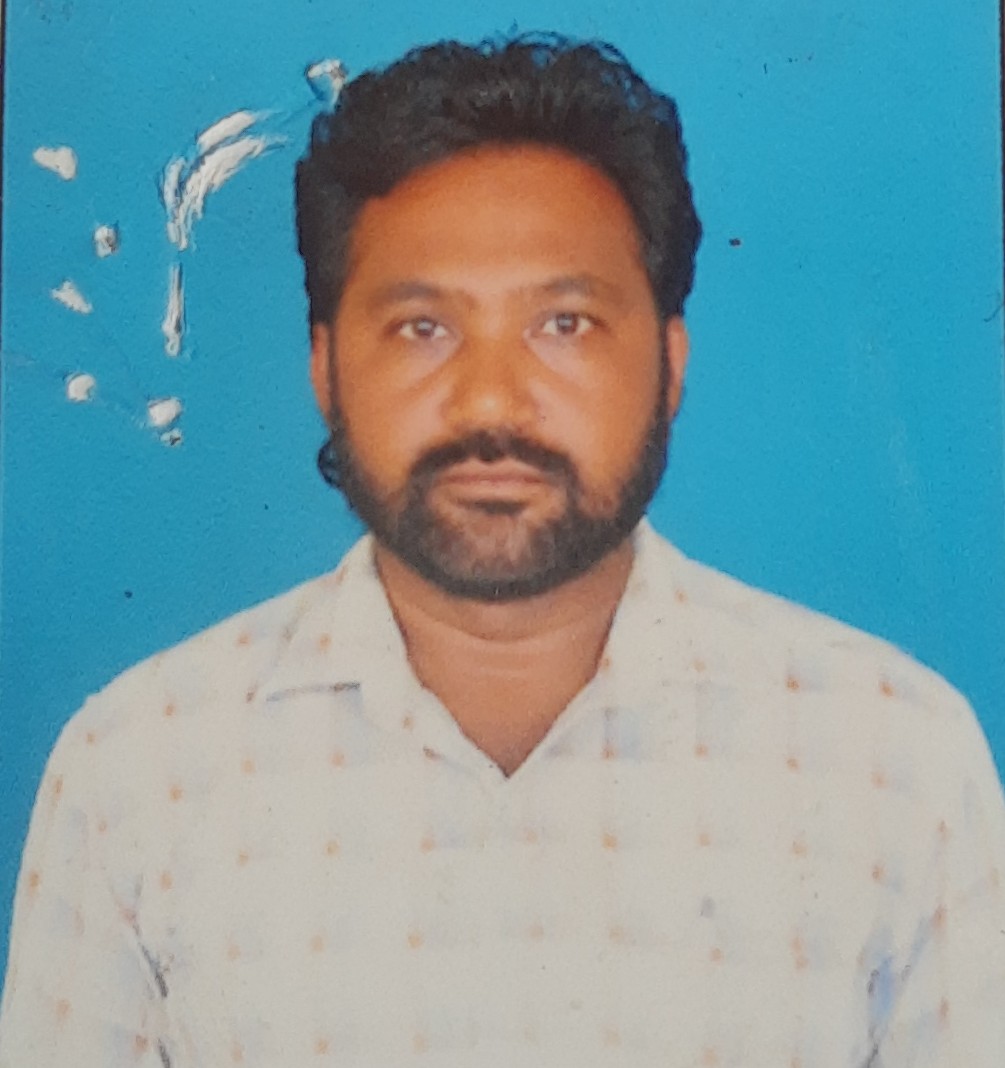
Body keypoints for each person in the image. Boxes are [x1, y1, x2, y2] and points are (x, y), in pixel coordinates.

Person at [1, 34, 1003, 1068]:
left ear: (669, 365)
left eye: (564, 323)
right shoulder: (136, 773)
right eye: (421, 328)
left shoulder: (894, 762)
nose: (490, 402)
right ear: (324, 369)